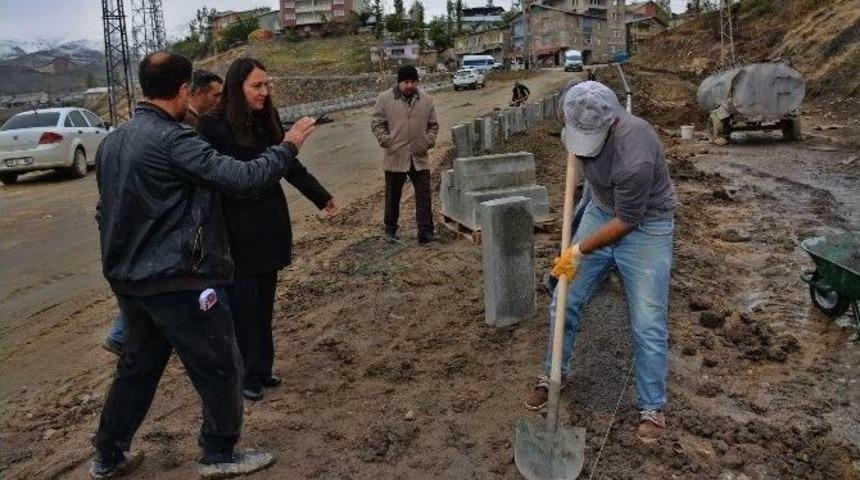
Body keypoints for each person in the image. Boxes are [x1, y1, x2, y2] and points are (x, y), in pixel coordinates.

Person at [90, 51, 318, 479]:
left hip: (130, 282)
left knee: (136, 369)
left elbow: (105, 213)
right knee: (220, 365)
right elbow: (244, 178)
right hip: (179, 280)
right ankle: (219, 453)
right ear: (181, 91)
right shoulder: (175, 140)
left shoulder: (113, 142)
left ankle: (107, 454)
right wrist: (289, 146)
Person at [523, 81, 677, 444]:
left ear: (610, 124)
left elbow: (628, 221)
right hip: (601, 208)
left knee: (647, 319)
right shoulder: (574, 116)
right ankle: (552, 375)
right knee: (564, 298)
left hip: (646, 225)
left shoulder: (634, 155)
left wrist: (578, 250)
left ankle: (652, 406)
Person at [197, 57, 336, 402]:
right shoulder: (212, 126)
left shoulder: (267, 118)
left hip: (268, 225)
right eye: (257, 86)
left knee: (264, 304)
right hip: (234, 231)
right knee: (243, 308)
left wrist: (322, 197)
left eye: (266, 84)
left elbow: (289, 164)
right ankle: (246, 374)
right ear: (236, 87)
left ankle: (263, 367)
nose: (264, 91)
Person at [100, 69, 224, 356]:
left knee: (141, 359)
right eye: (216, 95)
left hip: (133, 253)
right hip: (162, 244)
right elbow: (223, 174)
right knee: (215, 367)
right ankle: (123, 336)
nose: (219, 101)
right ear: (192, 92)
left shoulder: (122, 139)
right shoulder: (180, 130)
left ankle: (125, 337)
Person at [371, 65, 439, 244]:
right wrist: (387, 141)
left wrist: (428, 141)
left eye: (412, 82)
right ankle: (390, 231)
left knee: (424, 195)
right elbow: (377, 123)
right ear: (399, 82)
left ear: (417, 82)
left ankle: (425, 232)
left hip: (419, 155)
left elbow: (433, 125)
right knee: (393, 196)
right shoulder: (384, 99)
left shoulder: (427, 100)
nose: (409, 85)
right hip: (395, 156)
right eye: (405, 82)